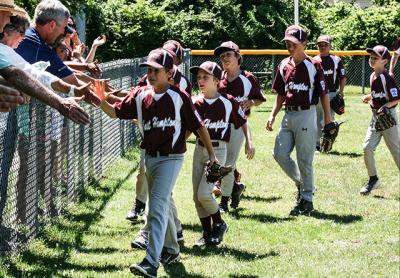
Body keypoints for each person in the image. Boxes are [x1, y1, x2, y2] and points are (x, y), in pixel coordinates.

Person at [99, 48, 217, 277]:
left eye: (156, 70)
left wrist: (212, 154)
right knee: (161, 205)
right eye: (149, 70)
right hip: (150, 157)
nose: (150, 74)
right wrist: (99, 98)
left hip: (171, 159)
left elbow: (198, 125)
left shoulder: (178, 96)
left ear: (169, 71)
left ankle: (151, 262)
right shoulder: (141, 94)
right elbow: (115, 113)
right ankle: (172, 250)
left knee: (156, 207)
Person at [265, 25, 332, 216]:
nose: (290, 46)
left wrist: (327, 119)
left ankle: (307, 199)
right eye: (287, 43)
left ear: (304, 44)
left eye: (294, 43)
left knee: (305, 159)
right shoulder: (283, 65)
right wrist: (273, 114)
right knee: (279, 153)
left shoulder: (314, 65)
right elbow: (280, 94)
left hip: (306, 113)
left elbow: (323, 93)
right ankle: (302, 184)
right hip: (288, 114)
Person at [190, 61, 255, 247]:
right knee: (197, 196)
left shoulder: (228, 101)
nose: (200, 81)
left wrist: (249, 142)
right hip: (199, 149)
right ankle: (207, 233)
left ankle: (220, 223)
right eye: (199, 77)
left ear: (217, 80)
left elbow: (243, 121)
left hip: (218, 150)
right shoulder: (195, 102)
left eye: (205, 77)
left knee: (204, 193)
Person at [15, 0, 100, 107]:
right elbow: (72, 81)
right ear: (52, 25)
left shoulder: (27, 34)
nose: (65, 33)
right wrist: (107, 98)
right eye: (64, 28)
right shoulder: (39, 46)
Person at [214, 41, 266, 213]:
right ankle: (235, 189)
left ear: (237, 57)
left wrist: (251, 101)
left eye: (228, 54)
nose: (225, 59)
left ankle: (224, 202)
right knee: (218, 161)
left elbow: (259, 98)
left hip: (237, 126)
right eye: (222, 56)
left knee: (228, 163)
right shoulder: (218, 78)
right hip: (219, 125)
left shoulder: (248, 78)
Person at [359, 45, 400, 195]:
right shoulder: (372, 76)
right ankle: (373, 179)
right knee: (367, 147)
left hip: (388, 118)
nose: (372, 59)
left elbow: (395, 99)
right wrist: (369, 97)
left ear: (384, 61)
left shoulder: (386, 78)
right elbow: (378, 93)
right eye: (371, 56)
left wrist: (385, 106)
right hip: (376, 118)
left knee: (396, 152)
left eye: (376, 57)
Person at [314, 35, 347, 150]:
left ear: (330, 46)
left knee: (328, 120)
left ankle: (327, 143)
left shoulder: (336, 60)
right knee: (316, 120)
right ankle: (318, 145)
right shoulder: (314, 60)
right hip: (317, 94)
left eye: (325, 45)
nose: (322, 47)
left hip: (331, 93)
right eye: (320, 45)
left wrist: (341, 92)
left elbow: (343, 77)